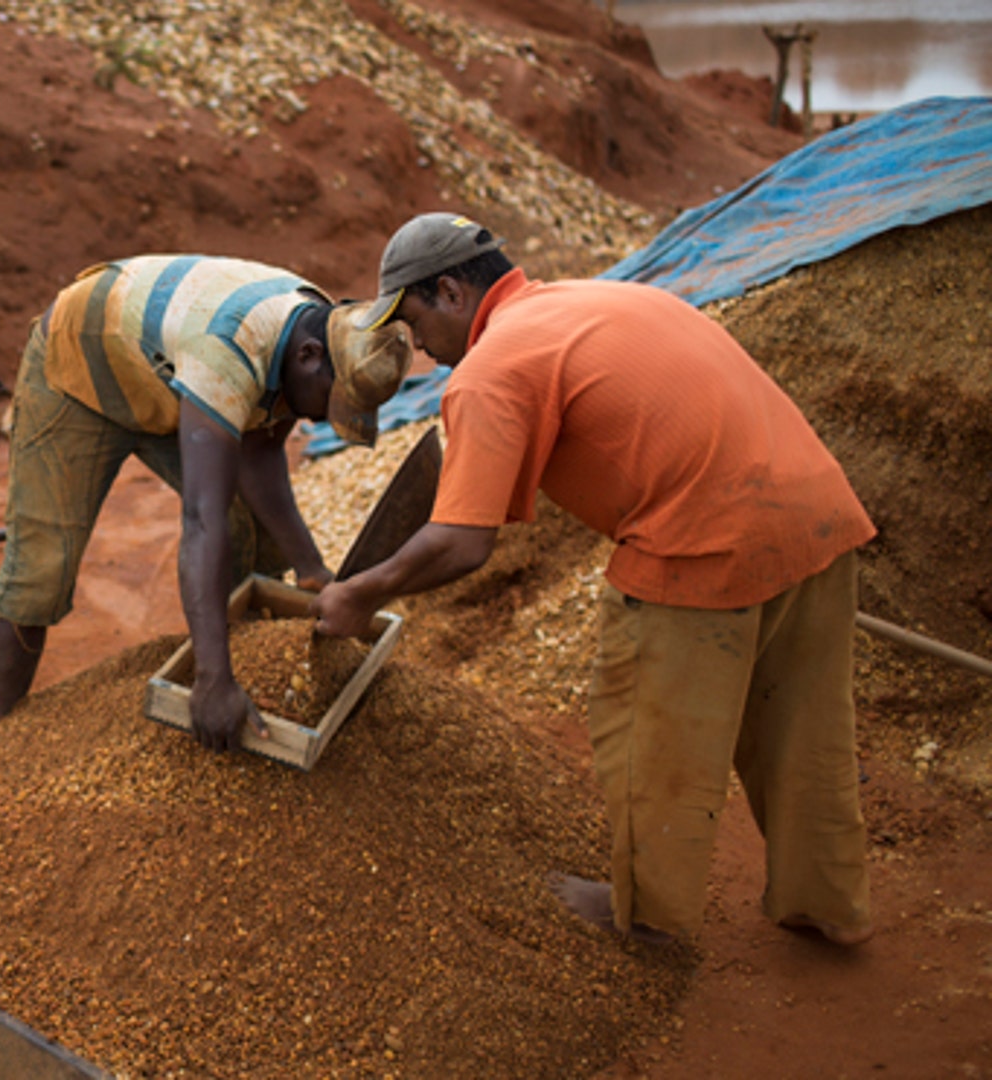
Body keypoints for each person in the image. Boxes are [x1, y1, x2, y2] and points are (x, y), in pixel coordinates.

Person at [313, 212, 875, 946]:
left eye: (414, 321)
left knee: (647, 729)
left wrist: (360, 594)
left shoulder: (490, 369)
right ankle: (826, 903)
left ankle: (645, 912)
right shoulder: (600, 299)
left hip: (702, 543)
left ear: (450, 291)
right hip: (818, 515)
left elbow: (461, 544)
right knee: (803, 731)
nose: (417, 347)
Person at [0, 255, 411, 748]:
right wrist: (211, 679)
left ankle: (243, 679)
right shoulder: (229, 349)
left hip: (165, 377)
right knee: (42, 568)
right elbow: (200, 521)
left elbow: (262, 448)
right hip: (83, 371)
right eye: (329, 403)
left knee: (248, 533)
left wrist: (309, 566)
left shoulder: (319, 330)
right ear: (309, 356)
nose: (318, 421)